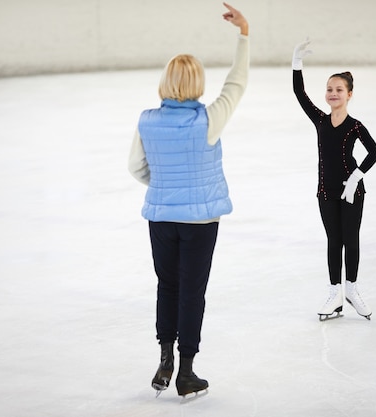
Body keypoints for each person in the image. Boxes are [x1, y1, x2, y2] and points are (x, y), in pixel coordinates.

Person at [128, 3, 249, 397]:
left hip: (161, 219)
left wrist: (162, 185)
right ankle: (186, 370)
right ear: (197, 83)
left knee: (168, 286)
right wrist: (244, 33)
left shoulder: (147, 119)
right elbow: (237, 83)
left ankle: (164, 358)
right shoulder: (209, 119)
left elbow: (136, 168)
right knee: (192, 291)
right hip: (200, 224)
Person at [292, 39, 376, 321]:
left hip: (352, 191)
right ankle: (335, 294)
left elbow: (374, 152)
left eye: (338, 90)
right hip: (326, 191)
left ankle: (352, 290)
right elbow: (299, 92)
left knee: (350, 240)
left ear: (349, 94)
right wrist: (297, 62)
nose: (332, 93)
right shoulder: (320, 120)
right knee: (334, 241)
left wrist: (355, 178)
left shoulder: (355, 125)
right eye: (329, 89)